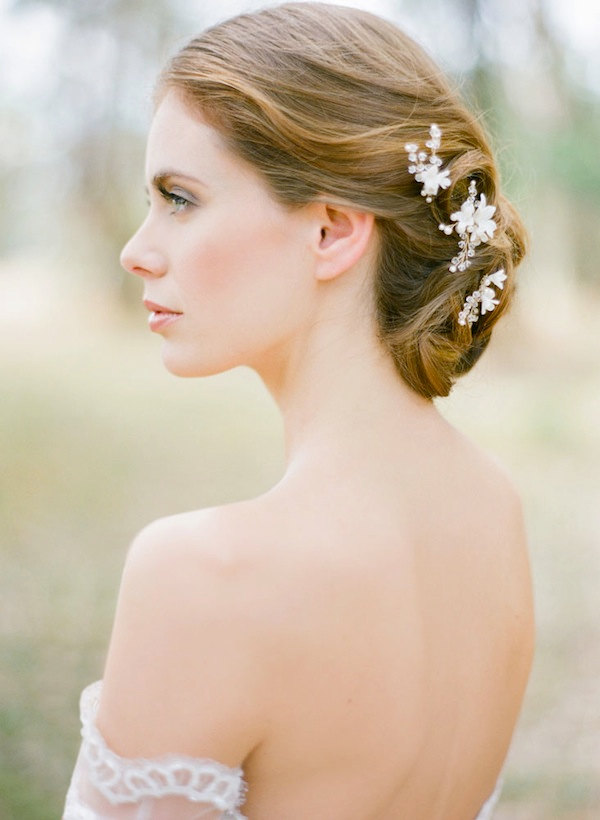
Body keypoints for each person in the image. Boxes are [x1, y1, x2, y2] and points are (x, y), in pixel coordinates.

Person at [63, 2, 535, 818]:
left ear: (332, 232)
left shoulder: (202, 576)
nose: (136, 249)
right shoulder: (494, 510)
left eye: (180, 198)